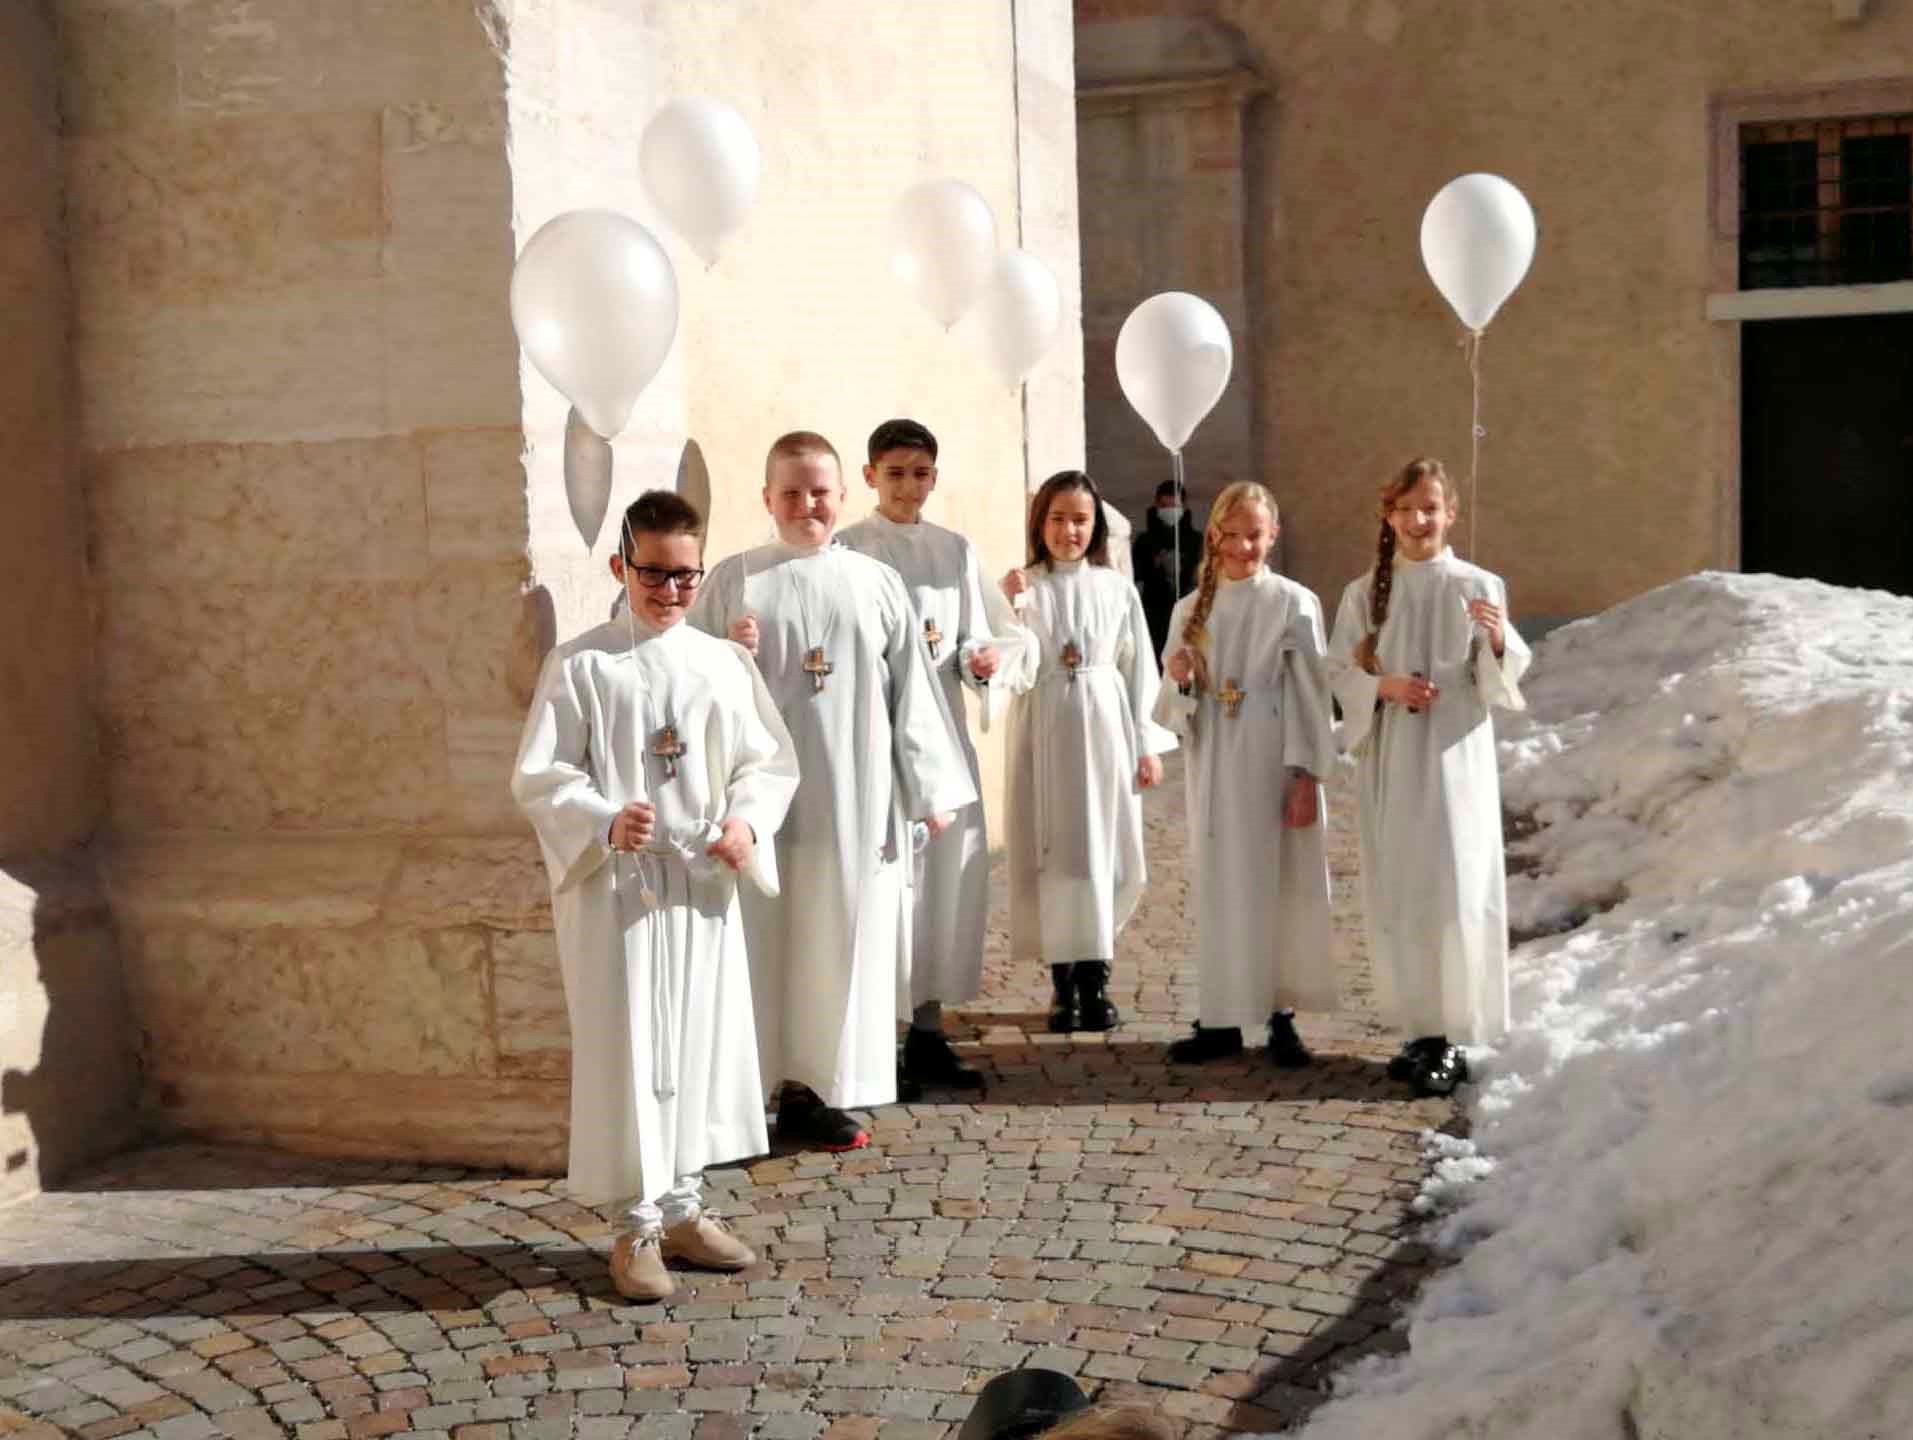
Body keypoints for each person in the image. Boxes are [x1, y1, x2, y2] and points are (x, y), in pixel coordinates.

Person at [511, 490, 799, 1302]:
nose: (670, 592)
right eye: (654, 575)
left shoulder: (720, 662)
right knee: (632, 1049)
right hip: (622, 893)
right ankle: (634, 1226)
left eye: (684, 577)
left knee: (698, 1046)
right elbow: (541, 774)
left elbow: (765, 763)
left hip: (700, 884)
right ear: (620, 566)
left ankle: (683, 1205)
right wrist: (604, 819)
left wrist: (745, 823)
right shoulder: (583, 664)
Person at [689, 431, 976, 1151]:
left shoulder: (875, 580)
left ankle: (816, 1090)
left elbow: (911, 688)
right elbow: (683, 677)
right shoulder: (733, 578)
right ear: (766, 499)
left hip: (854, 797)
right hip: (763, 804)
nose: (805, 504)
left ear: (841, 495)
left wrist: (928, 788)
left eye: (819, 491)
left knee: (837, 939)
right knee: (765, 940)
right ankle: (742, 1096)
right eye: (789, 491)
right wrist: (728, 653)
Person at [1327, 457, 1531, 1096]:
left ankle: (1452, 1031)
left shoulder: (1478, 585)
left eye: (1431, 508)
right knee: (1405, 891)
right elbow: (1336, 671)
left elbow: (1502, 680)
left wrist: (1498, 644)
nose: (1420, 520)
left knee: (1453, 885)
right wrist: (1382, 685)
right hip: (1395, 761)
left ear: (1451, 514)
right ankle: (1418, 1029)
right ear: (1389, 515)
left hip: (1455, 762)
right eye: (1407, 509)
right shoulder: (1364, 595)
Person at [838, 418, 1027, 1094]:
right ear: (868, 477)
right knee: (886, 883)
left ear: (934, 477)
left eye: (919, 473)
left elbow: (995, 638)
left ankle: (926, 1029)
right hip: (874, 738)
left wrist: (981, 663)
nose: (907, 486)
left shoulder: (954, 551)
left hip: (942, 733)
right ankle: (871, 1040)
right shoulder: (847, 548)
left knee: (941, 886)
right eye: (894, 473)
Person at [1156, 481, 1336, 1066]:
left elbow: (1312, 694)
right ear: (1213, 536)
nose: (1241, 548)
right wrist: (1181, 678)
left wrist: (1307, 773)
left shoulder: (1293, 602)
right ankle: (1222, 1016)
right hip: (1216, 762)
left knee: (1276, 885)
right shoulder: (1192, 609)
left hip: (1273, 758)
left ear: (1273, 536)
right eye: (1230, 536)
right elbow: (1170, 711)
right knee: (1221, 885)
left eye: (1254, 535)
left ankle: (1280, 1014)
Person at [998, 469, 1176, 1033]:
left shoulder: (1115, 587)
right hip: (1043, 731)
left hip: (1104, 731)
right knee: (1055, 852)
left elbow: (1138, 669)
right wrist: (1012, 610)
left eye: (1079, 519)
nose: (1068, 530)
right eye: (1057, 519)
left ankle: (1097, 977)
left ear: (1095, 525)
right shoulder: (1024, 585)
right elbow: (1008, 658)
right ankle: (1063, 984)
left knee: (1105, 851)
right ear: (1039, 523)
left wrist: (1147, 744)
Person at [1131, 478, 1202, 660]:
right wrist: (1155, 566)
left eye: (1174, 505)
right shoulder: (1144, 541)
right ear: (1157, 505)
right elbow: (1136, 577)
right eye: (1165, 505)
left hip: (1189, 611)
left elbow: (1203, 575)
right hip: (1155, 613)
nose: (1170, 511)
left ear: (1184, 505)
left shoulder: (1196, 540)